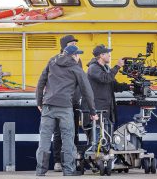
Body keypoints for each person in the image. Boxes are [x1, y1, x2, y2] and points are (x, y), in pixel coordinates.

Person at [35, 45, 98, 176]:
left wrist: (39, 102)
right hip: (65, 107)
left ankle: (40, 170)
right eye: (78, 54)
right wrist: (92, 111)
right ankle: (68, 171)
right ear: (73, 55)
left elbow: (41, 82)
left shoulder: (52, 62)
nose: (79, 57)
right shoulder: (76, 68)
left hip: (48, 106)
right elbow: (87, 91)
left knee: (44, 139)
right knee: (68, 139)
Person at [86, 44, 130, 148]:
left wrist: (129, 87)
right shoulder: (93, 68)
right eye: (107, 54)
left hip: (107, 111)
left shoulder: (105, 68)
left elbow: (114, 85)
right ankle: (98, 161)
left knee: (107, 141)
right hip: (98, 111)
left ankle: (106, 161)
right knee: (98, 143)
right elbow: (105, 78)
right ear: (101, 55)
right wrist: (118, 66)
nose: (110, 56)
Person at [53, 35, 81, 172]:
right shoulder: (55, 60)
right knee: (58, 132)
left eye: (76, 43)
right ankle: (57, 161)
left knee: (74, 131)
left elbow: (80, 79)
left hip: (74, 101)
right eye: (72, 43)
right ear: (64, 46)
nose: (75, 45)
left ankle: (73, 159)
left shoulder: (77, 59)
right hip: (60, 102)